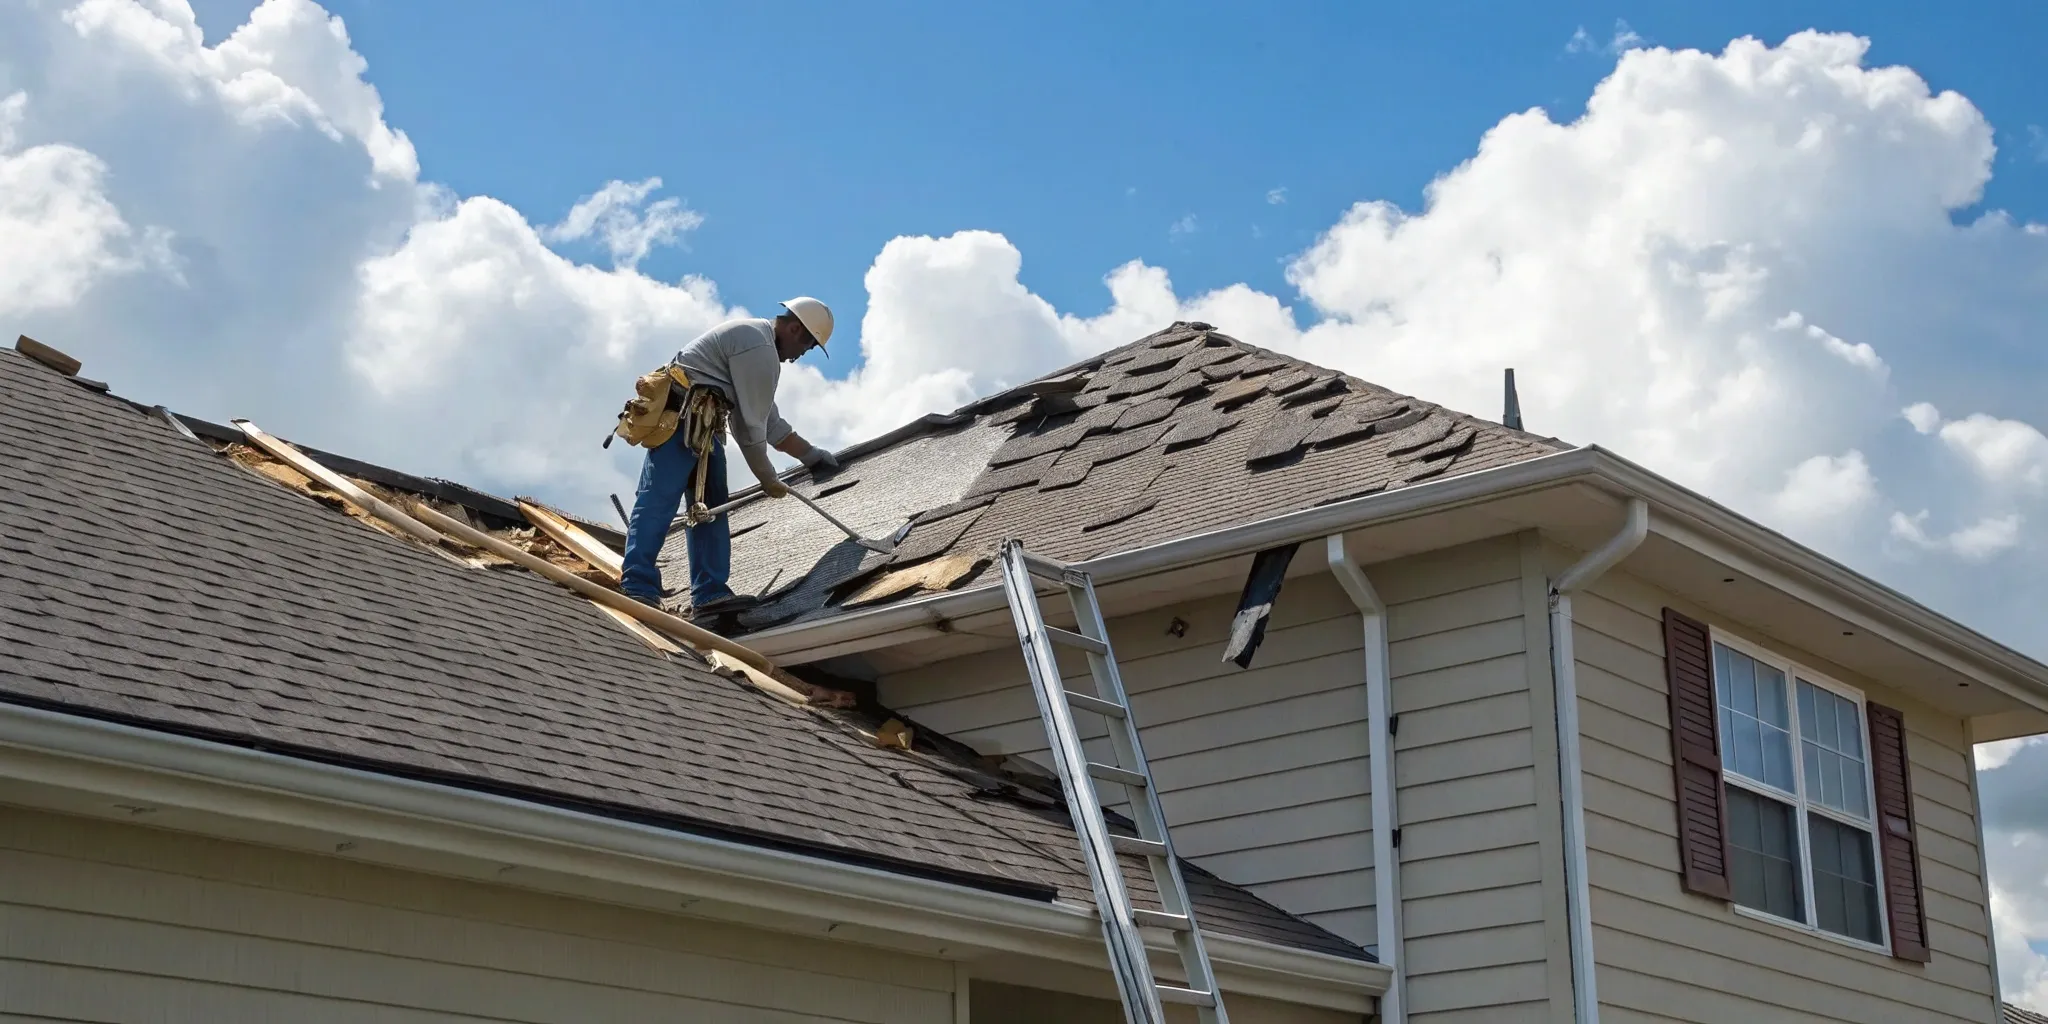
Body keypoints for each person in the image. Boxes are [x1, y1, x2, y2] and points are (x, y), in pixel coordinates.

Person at [619, 298, 840, 616]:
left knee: (709, 509)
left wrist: (811, 456)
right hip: (681, 418)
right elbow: (750, 429)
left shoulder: (758, 343)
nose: (801, 355)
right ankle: (636, 584)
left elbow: (768, 421)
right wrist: (768, 478)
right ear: (794, 329)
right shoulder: (757, 346)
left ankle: (709, 593)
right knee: (659, 499)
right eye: (806, 346)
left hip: (701, 426)